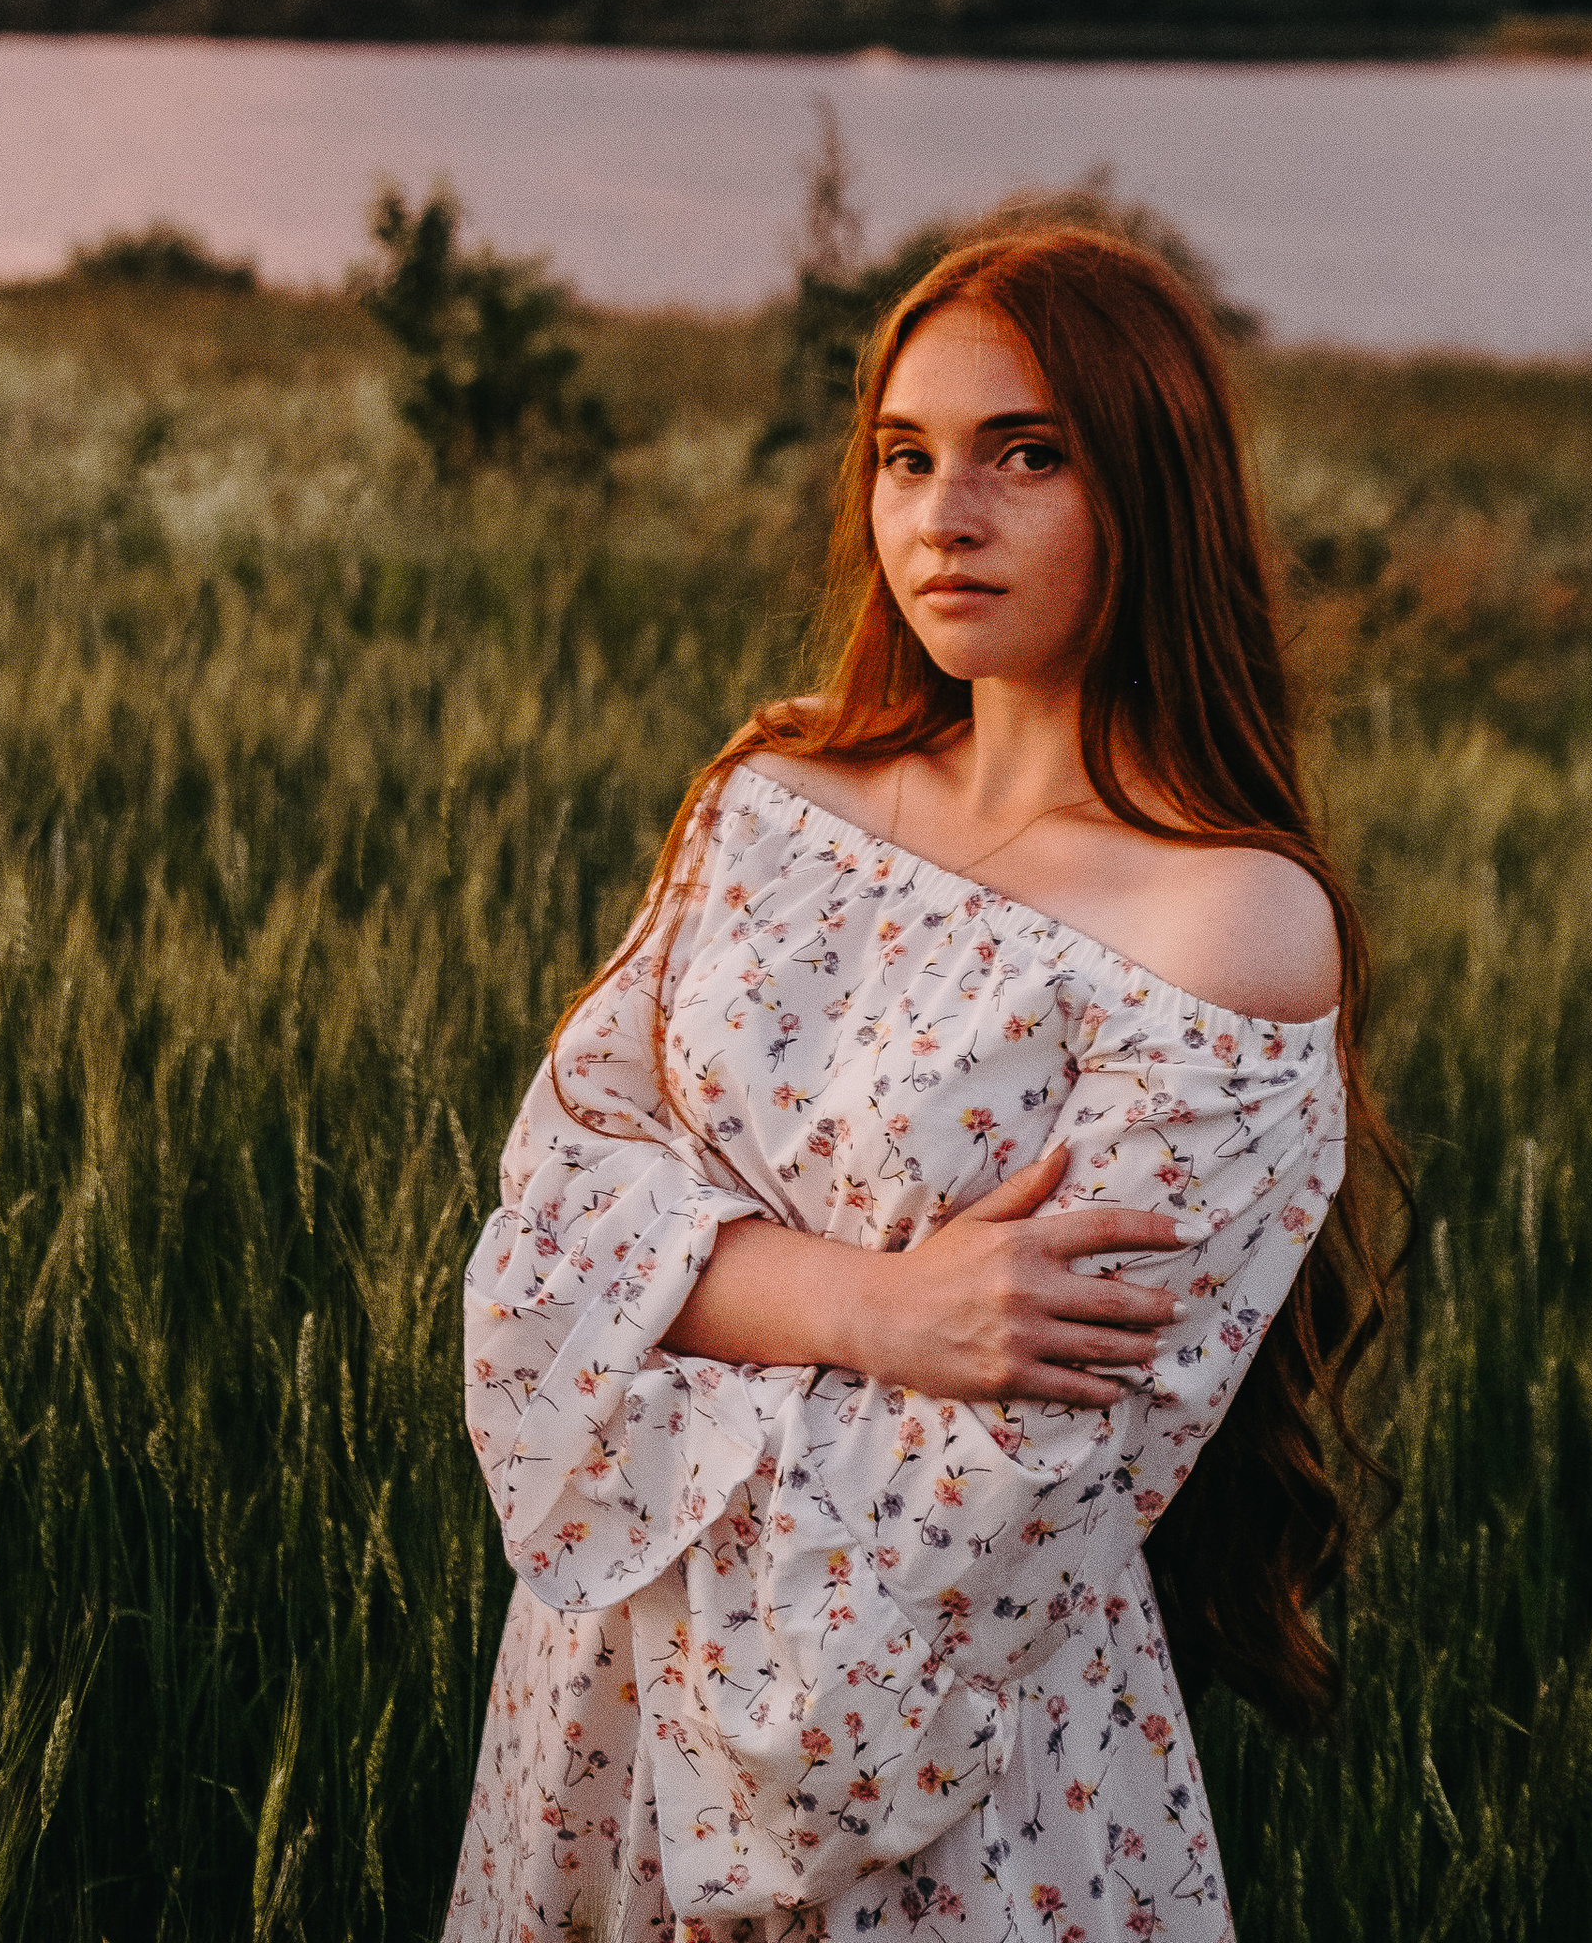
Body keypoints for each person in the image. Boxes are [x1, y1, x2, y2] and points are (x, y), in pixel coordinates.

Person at [445, 219, 1403, 1942]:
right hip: (588, 1716)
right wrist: (884, 1314)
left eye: (1025, 455)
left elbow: (1014, 1483)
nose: (940, 518)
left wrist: (680, 1330)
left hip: (920, 1783)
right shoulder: (778, 790)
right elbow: (543, 1234)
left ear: (1155, 487)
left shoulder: (1228, 927)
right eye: (905, 457)